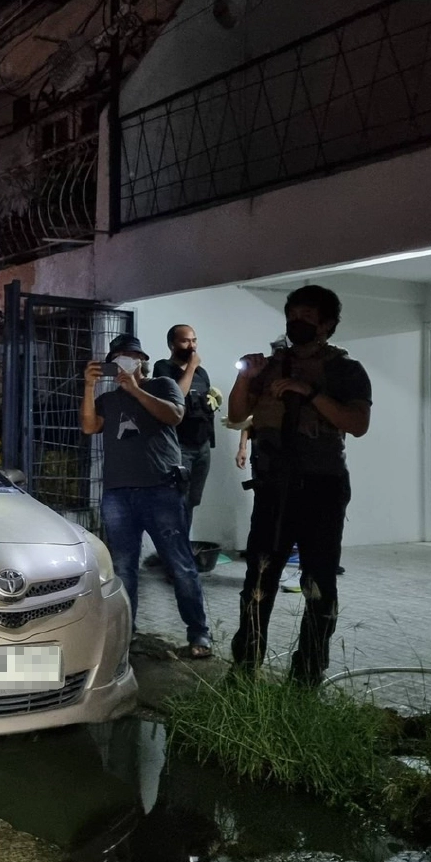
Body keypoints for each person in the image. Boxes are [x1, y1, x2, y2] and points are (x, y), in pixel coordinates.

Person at [227, 285, 372, 685]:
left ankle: (307, 673)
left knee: (317, 583)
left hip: (321, 488)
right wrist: (247, 379)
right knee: (258, 578)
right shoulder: (273, 365)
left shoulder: (345, 370)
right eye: (293, 316)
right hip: (273, 488)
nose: (297, 324)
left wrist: (309, 393)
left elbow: (357, 424)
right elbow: (238, 415)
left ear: (327, 324)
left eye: (307, 317)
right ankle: (244, 668)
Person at [81, 333, 212, 658]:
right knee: (124, 567)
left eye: (131, 355)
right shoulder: (108, 399)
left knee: (179, 564)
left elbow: (174, 416)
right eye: (120, 356)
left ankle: (199, 634)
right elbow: (88, 426)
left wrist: (135, 389)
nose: (125, 360)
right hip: (118, 493)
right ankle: (128, 632)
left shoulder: (163, 385)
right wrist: (88, 387)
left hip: (161, 489)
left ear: (142, 360)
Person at [153, 325, 220, 541]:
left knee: (191, 501)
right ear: (172, 344)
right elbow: (176, 398)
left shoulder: (202, 373)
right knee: (176, 501)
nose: (192, 346)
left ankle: (180, 551)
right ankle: (173, 556)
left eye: (194, 340)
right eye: (185, 341)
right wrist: (190, 368)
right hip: (179, 447)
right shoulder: (163, 368)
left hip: (202, 446)